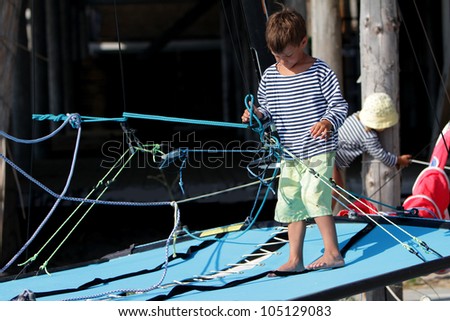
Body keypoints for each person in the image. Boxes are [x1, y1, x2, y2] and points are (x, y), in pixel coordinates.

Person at [241, 5, 347, 274]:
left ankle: (333, 252)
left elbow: (339, 105)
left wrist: (326, 121)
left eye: (288, 54)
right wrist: (255, 114)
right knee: (290, 202)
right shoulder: (271, 76)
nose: (283, 60)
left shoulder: (320, 70)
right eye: (277, 55)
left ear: (303, 42)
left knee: (314, 195)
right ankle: (295, 259)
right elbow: (266, 111)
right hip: (290, 154)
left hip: (317, 149)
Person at [332, 92, 412, 209]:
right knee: (336, 186)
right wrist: (398, 160)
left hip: (323, 151)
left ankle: (321, 215)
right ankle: (325, 216)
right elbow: (381, 154)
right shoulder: (368, 135)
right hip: (330, 158)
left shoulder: (355, 117)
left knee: (324, 188)